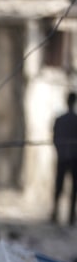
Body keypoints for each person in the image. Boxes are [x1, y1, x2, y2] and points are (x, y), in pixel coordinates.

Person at [52, 91, 77, 226]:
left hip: (65, 157)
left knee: (60, 186)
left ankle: (57, 212)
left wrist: (60, 151)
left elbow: (55, 138)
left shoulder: (60, 120)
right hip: (72, 158)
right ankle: (69, 215)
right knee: (71, 188)